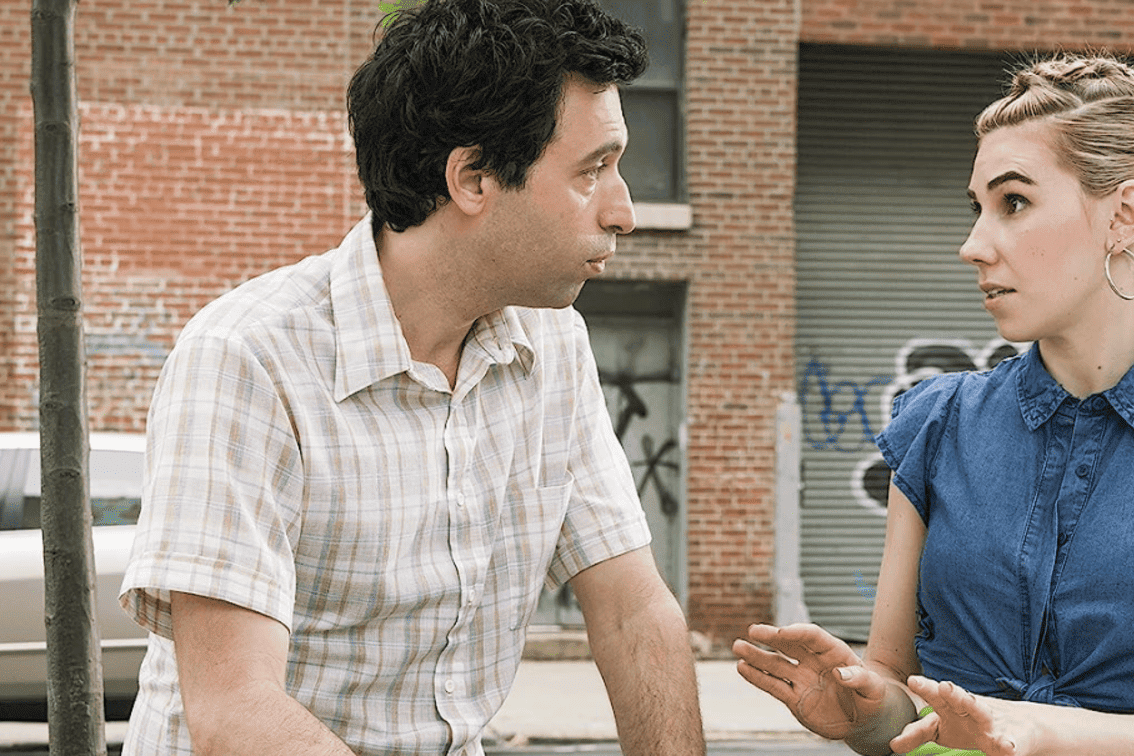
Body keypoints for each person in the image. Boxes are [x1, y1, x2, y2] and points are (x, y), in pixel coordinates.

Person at [118, 1, 705, 754]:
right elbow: (234, 712)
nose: (623, 211)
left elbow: (633, 613)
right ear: (473, 177)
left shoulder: (552, 344)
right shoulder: (247, 359)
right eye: (592, 171)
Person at [733, 54, 1134, 756]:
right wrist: (866, 710)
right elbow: (899, 687)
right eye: (978, 209)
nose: (973, 245)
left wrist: (1036, 728)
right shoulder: (936, 426)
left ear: (1124, 215)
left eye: (1014, 203)